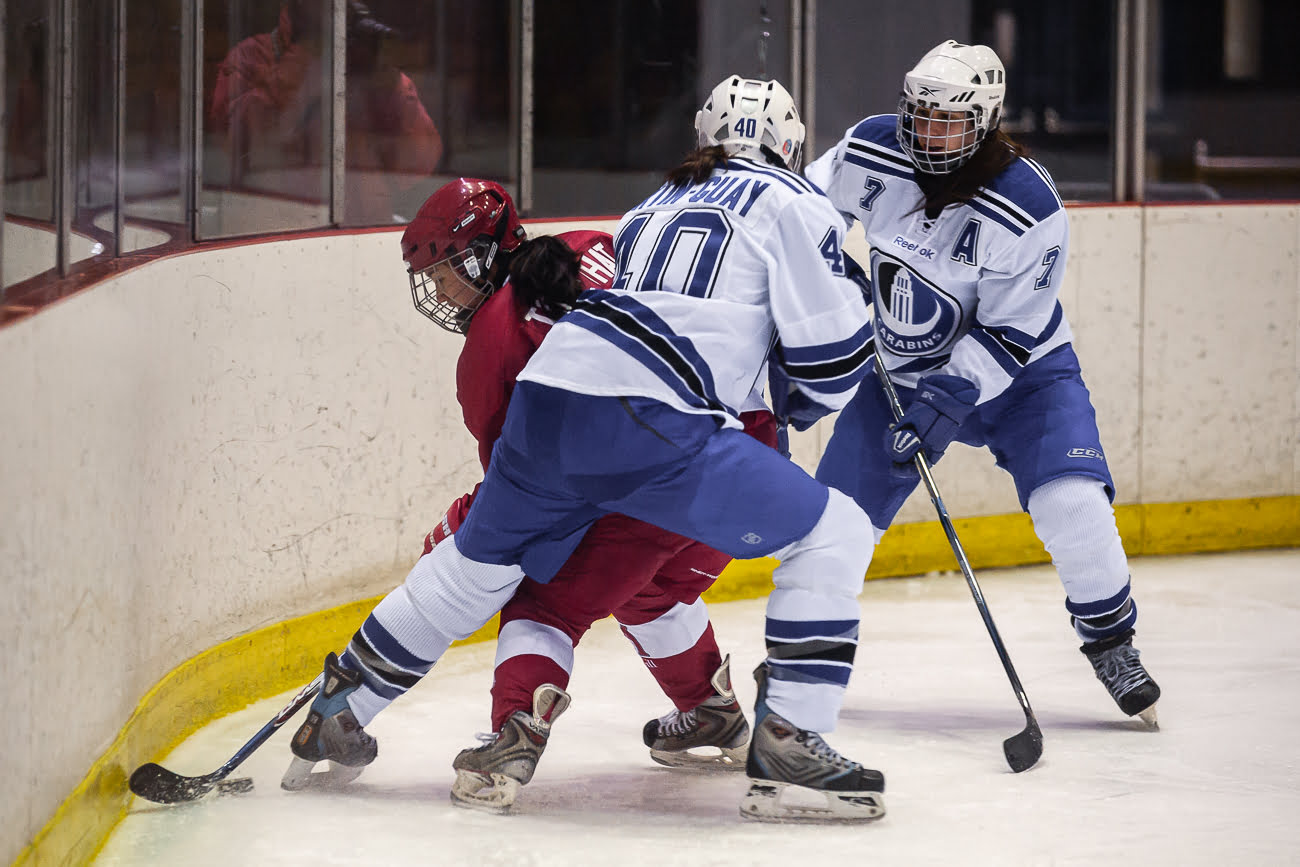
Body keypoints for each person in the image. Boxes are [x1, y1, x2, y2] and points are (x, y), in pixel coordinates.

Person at [286, 76, 887, 824]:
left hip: (552, 404)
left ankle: (344, 700)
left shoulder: (648, 208)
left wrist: (472, 522)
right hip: (662, 421)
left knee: (475, 567)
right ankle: (793, 741)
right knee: (836, 530)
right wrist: (832, 336)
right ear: (791, 146)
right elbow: (825, 373)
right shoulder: (793, 200)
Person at [371, 177, 777, 812]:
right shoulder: (591, 246)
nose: (440, 291)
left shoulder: (490, 347)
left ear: (481, 255)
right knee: (647, 586)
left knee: (545, 604)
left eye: (447, 270)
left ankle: (513, 738)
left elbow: (526, 498)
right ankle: (710, 711)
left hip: (662, 476)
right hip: (751, 453)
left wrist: (465, 528)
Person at [804, 40, 1160, 726]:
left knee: (1072, 501)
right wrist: (824, 267)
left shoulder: (1029, 204)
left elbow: (1010, 331)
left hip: (1025, 375)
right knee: (834, 522)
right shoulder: (870, 150)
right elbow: (802, 213)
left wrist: (948, 397)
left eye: (947, 120)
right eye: (919, 114)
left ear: (985, 121)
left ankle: (1112, 642)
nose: (927, 132)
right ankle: (802, 655)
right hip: (900, 373)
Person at [210, 0, 442, 223]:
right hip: (274, 232)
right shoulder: (251, 57)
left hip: (361, 229)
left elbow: (419, 163)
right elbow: (236, 148)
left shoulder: (363, 65)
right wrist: (300, 67)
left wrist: (388, 83)